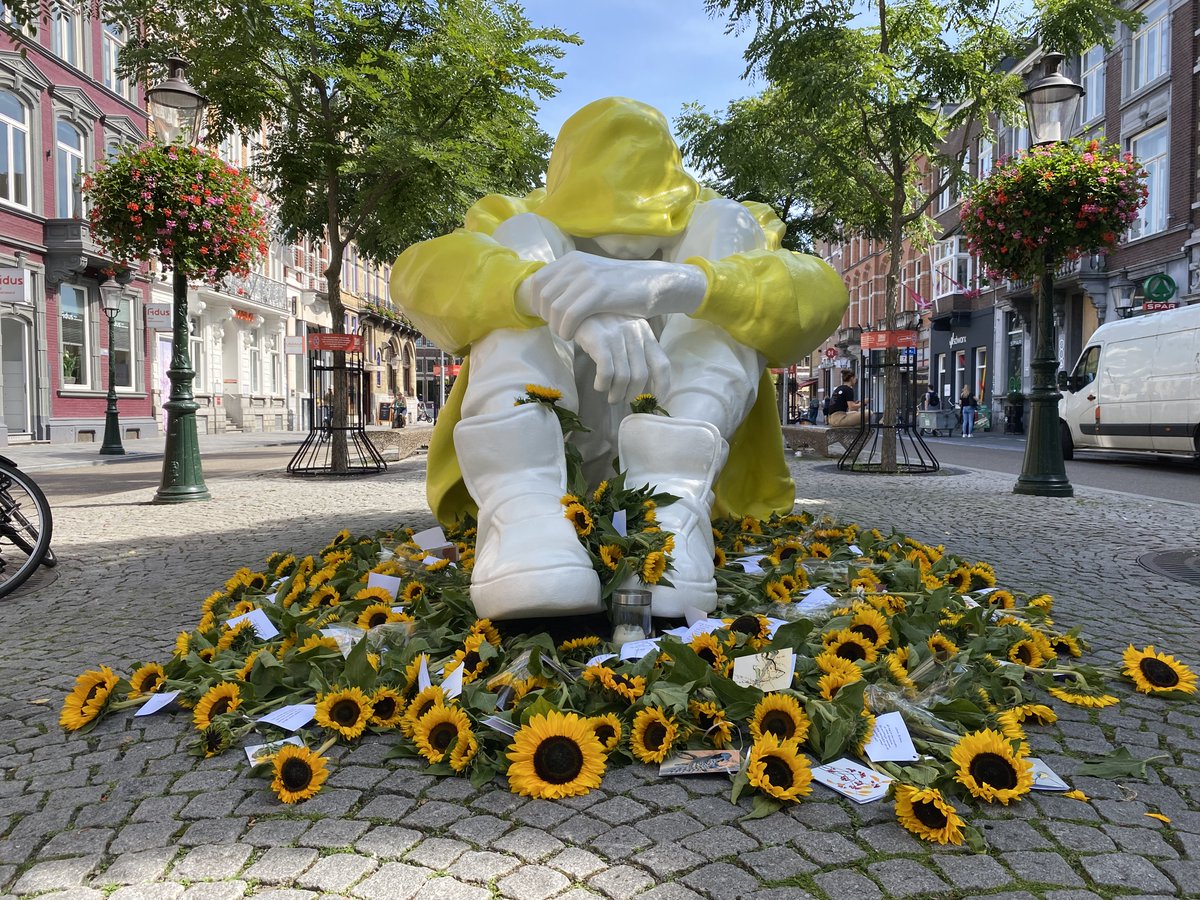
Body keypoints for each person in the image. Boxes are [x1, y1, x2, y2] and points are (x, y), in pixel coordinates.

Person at [390, 97, 848, 620]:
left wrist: (673, 284)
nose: (616, 260)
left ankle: (670, 512)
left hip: (700, 478)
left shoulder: (723, 221)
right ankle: (524, 512)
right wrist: (544, 293)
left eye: (648, 243)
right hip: (559, 471)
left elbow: (821, 296)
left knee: (732, 233)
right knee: (512, 249)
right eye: (595, 240)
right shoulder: (520, 220)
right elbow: (417, 276)